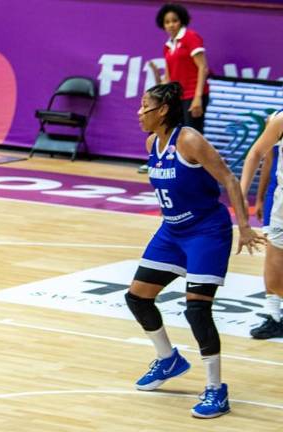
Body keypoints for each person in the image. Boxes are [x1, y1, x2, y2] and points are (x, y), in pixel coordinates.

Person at [127, 82, 264, 418]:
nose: (139, 112)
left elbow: (229, 180)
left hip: (206, 232)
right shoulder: (151, 143)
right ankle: (168, 359)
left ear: (162, 111)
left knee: (197, 311)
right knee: (137, 297)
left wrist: (244, 227)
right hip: (172, 232)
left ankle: (216, 390)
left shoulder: (188, 139)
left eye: (145, 106)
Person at [139, 3, 210, 174]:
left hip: (193, 95)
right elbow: (169, 79)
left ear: (182, 21)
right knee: (169, 130)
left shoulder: (191, 38)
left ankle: (198, 171)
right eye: (167, 22)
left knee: (192, 134)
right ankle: (162, 162)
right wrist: (157, 77)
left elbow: (203, 68)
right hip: (177, 97)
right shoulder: (168, 46)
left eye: (174, 21)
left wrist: (197, 98)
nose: (171, 25)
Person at [241, 112, 283, 339]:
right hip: (280, 202)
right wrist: (247, 192)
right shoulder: (278, 120)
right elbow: (260, 155)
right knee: (275, 267)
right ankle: (273, 314)